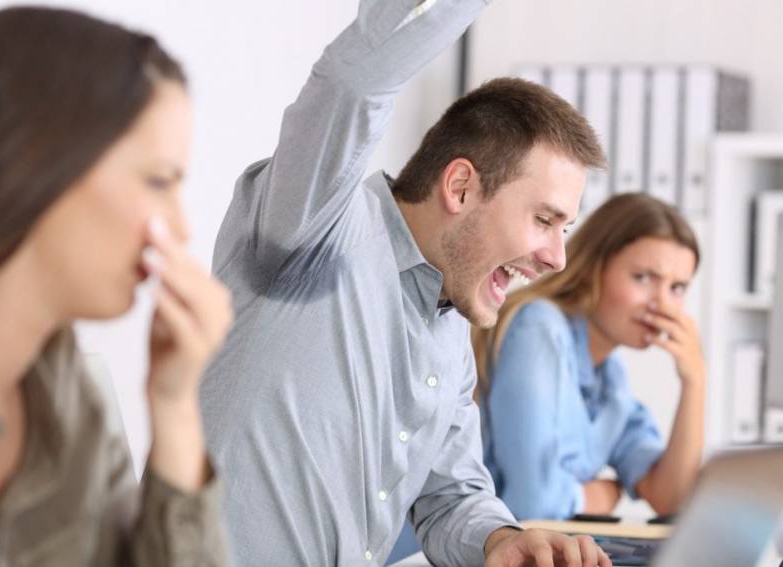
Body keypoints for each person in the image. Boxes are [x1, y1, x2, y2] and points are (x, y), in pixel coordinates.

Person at [201, 1, 610, 565]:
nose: (558, 258)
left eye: (564, 228)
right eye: (544, 220)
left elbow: (450, 498)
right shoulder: (317, 226)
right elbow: (352, 83)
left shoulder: (448, 329)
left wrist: (502, 539)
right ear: (461, 187)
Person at [0, 7, 232, 565]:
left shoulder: (73, 399)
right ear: (37, 164)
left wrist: (174, 408)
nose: (182, 228)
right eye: (159, 181)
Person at [473, 193, 705, 521]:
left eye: (677, 288)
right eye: (643, 278)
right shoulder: (539, 327)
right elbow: (534, 505)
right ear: (595, 268)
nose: (662, 304)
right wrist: (601, 495)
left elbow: (669, 498)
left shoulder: (611, 379)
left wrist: (695, 382)